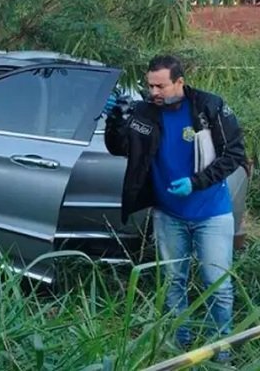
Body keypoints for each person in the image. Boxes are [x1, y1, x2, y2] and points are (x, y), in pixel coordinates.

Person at [103, 55, 246, 363]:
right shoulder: (145, 112)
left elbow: (234, 153)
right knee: (172, 282)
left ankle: (222, 349)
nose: (153, 92)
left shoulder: (209, 107)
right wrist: (115, 122)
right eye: (150, 85)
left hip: (211, 212)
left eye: (160, 86)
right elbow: (120, 147)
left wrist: (196, 182)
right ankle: (179, 347)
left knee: (217, 284)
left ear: (179, 82)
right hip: (168, 214)